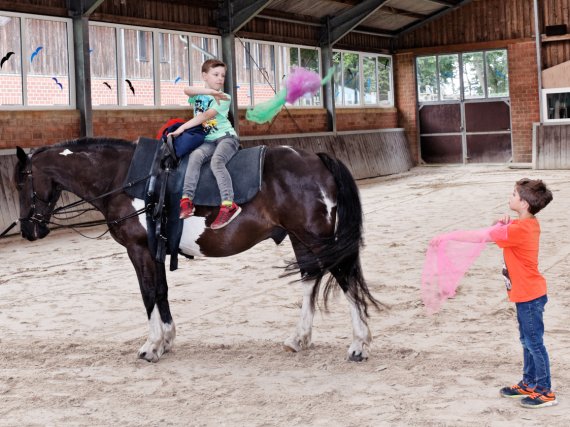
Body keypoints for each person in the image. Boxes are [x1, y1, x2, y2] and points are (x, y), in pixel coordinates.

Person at [491, 178, 556, 408]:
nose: (510, 197)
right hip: (525, 294)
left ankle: (545, 391)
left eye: (514, 195)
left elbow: (493, 235)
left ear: (524, 204)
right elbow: (502, 235)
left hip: (529, 295)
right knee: (526, 340)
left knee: (534, 343)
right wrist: (505, 224)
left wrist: (501, 225)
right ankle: (528, 383)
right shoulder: (527, 224)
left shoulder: (520, 229)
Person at [167, 59, 241, 229]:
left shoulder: (224, 97)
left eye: (223, 75)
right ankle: (187, 200)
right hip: (208, 140)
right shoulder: (200, 95)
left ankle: (229, 204)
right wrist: (208, 92)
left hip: (226, 138)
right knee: (195, 156)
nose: (220, 78)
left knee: (217, 162)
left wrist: (181, 129)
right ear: (204, 76)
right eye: (216, 74)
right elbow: (187, 90)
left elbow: (205, 116)